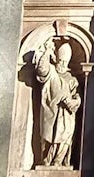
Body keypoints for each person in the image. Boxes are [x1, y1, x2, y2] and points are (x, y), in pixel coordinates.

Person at [33, 38, 82, 167]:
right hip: (51, 112)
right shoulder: (52, 72)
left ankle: (58, 162)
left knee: (65, 137)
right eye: (61, 61)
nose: (63, 64)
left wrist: (74, 101)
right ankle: (46, 161)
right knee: (49, 137)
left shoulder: (72, 78)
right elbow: (41, 69)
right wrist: (47, 52)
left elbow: (76, 94)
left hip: (67, 115)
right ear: (56, 60)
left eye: (65, 62)